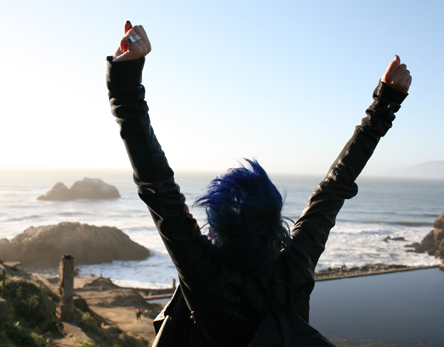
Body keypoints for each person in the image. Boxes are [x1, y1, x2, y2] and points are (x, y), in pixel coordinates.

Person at [106, 22, 411, 346]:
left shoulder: (204, 273)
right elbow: (334, 188)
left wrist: (124, 86)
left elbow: (157, 186)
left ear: (216, 227)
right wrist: (384, 105)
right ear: (276, 219)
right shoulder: (295, 265)